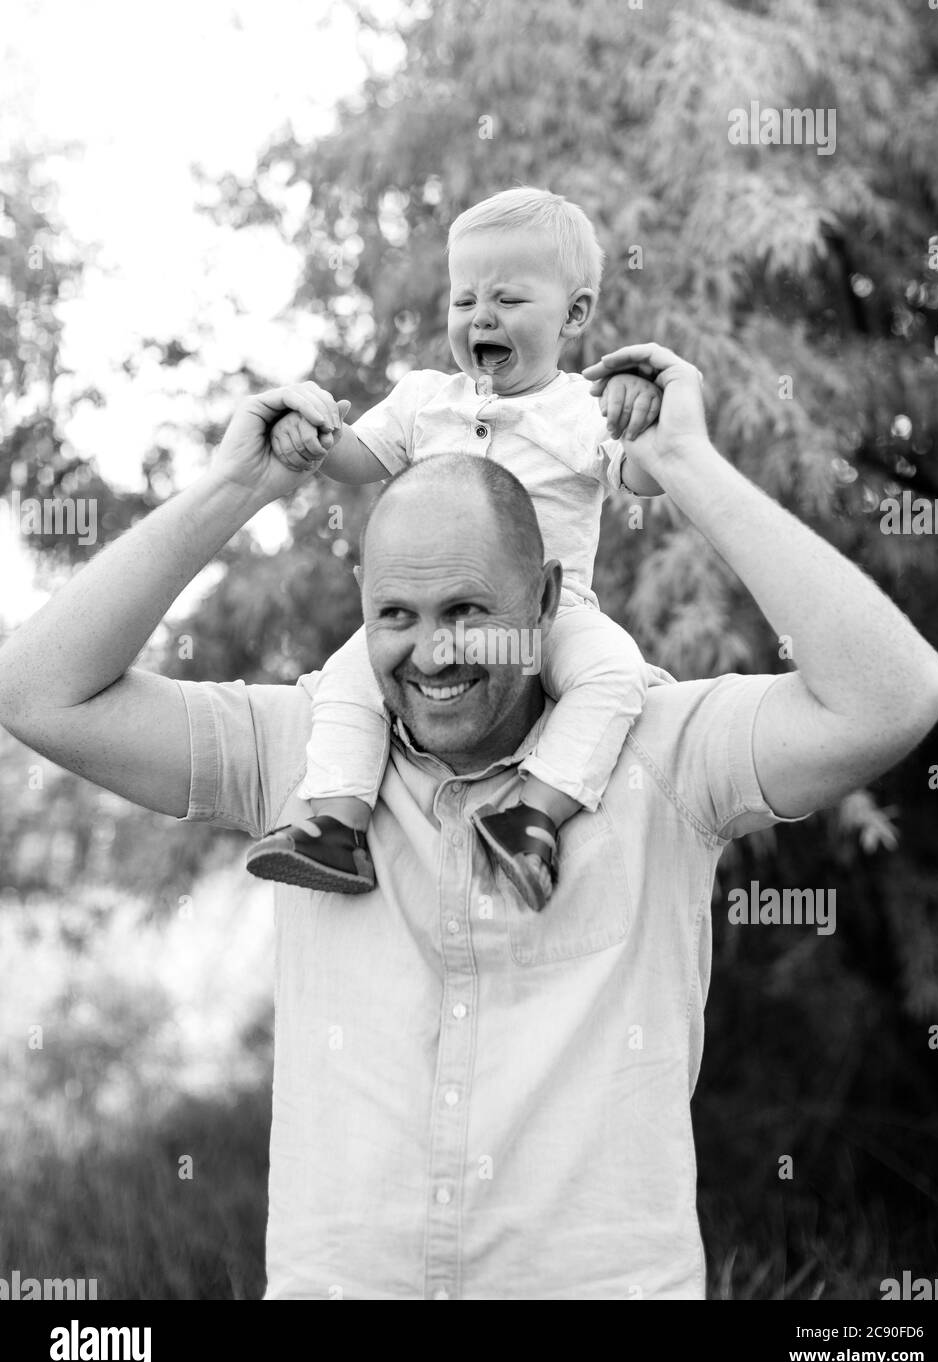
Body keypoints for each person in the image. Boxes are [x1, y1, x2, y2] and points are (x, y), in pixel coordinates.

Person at [0, 343, 938, 1299]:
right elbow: (38, 691)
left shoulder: (661, 752)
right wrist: (234, 489)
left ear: (546, 601)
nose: (432, 653)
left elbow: (894, 697)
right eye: (396, 615)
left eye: (467, 610)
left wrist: (686, 466)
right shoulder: (305, 755)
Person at [245, 187, 666, 910]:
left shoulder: (583, 410)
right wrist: (309, 431)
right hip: (431, 618)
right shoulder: (423, 400)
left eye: (508, 299)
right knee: (349, 676)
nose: (482, 317)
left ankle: (531, 815)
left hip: (547, 617)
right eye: (464, 300)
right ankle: (336, 825)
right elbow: (357, 457)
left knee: (615, 672)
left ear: (574, 314)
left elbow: (647, 475)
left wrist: (651, 413)